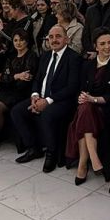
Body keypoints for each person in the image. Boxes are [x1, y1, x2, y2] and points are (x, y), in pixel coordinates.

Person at [12, 25, 82, 172]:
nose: (54, 40)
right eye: (51, 37)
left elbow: (72, 87)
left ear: (66, 39)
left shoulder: (74, 58)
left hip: (62, 100)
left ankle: (52, 153)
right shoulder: (45, 56)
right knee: (17, 111)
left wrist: (47, 101)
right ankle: (34, 148)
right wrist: (35, 96)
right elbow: (38, 79)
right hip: (42, 97)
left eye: (58, 36)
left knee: (47, 114)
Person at [65, 27, 110, 184]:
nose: (107, 47)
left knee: (85, 110)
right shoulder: (87, 65)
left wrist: (93, 99)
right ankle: (92, 157)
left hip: (107, 109)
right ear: (95, 46)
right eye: (102, 44)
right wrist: (82, 98)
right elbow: (81, 89)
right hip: (88, 107)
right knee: (85, 108)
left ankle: (83, 163)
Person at [0, 29, 39, 155]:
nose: (18, 43)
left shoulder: (31, 56)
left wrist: (11, 78)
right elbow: (3, 77)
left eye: (21, 40)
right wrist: (16, 76)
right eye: (16, 40)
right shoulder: (11, 56)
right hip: (8, 89)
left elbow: (25, 81)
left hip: (22, 92)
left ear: (27, 41)